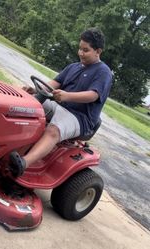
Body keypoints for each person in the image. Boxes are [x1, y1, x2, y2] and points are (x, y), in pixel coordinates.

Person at [10, 27, 113, 177]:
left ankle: (23, 163)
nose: (80, 53)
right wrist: (35, 89)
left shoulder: (103, 72)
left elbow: (93, 95)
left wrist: (67, 96)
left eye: (86, 50)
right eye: (80, 49)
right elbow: (54, 83)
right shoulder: (73, 67)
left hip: (80, 117)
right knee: (26, 105)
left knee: (53, 131)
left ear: (98, 51)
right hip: (60, 106)